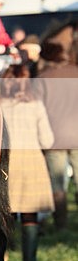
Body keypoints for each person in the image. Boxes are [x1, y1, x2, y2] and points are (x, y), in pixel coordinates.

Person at [0, 65, 54, 261]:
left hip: (7, 164)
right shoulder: (36, 105)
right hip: (32, 162)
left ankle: (1, 258)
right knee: (30, 213)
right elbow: (47, 140)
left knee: (6, 211)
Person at [37, 40, 78, 229]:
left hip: (54, 138)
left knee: (57, 185)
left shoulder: (42, 78)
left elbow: (37, 108)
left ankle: (61, 225)